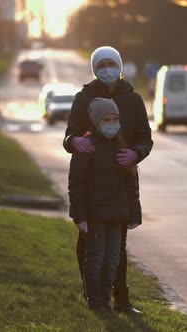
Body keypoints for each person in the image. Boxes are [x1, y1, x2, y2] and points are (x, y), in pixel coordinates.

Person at [63, 46, 153, 314]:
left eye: (110, 64)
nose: (106, 70)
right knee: (89, 243)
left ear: (119, 66)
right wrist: (73, 141)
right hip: (92, 178)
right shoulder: (84, 97)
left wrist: (136, 154)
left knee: (118, 244)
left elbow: (145, 138)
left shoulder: (133, 100)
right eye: (100, 66)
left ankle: (120, 299)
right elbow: (70, 134)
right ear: (94, 69)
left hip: (121, 178)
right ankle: (92, 296)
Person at [68, 98, 142, 312]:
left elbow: (131, 185)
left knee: (113, 259)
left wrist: (133, 214)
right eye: (106, 120)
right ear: (95, 121)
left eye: (115, 119)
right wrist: (79, 215)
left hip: (117, 215)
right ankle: (95, 301)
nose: (111, 123)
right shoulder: (86, 146)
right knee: (95, 257)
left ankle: (103, 297)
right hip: (95, 214)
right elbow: (77, 185)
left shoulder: (122, 146)